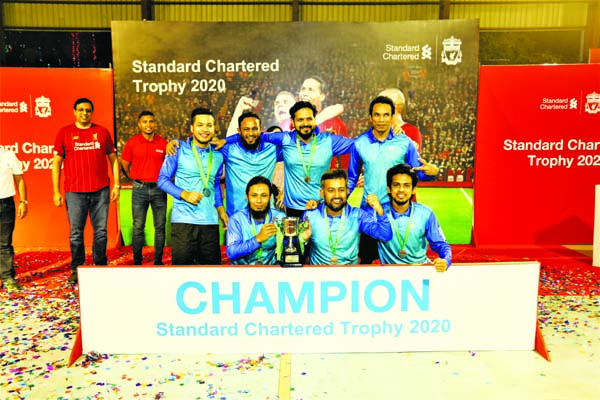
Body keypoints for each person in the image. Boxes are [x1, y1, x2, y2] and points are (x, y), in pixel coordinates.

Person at [347, 95, 439, 264]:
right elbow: (352, 179)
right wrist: (339, 203)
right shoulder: (360, 143)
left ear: (392, 117)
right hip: (370, 214)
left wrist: (433, 172)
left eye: (386, 115)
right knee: (366, 260)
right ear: (371, 117)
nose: (381, 119)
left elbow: (418, 173)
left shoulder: (405, 142)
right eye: (377, 115)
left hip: (397, 215)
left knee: (398, 263)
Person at [52, 98, 120, 284]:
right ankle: (77, 269)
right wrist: (56, 191)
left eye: (88, 110)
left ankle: (100, 267)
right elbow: (56, 163)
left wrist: (116, 185)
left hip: (101, 191)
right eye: (81, 110)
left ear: (92, 112)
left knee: (101, 232)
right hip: (74, 192)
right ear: (74, 111)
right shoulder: (65, 133)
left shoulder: (102, 132)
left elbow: (113, 159)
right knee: (76, 232)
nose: (84, 113)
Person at [258, 101, 354, 218]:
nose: (305, 123)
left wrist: (352, 182)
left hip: (321, 208)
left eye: (309, 119)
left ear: (315, 120)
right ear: (293, 122)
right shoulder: (285, 139)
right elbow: (254, 136)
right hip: (293, 211)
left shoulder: (328, 140)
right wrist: (229, 140)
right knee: (293, 236)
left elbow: (360, 145)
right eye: (300, 120)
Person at [158, 107, 227, 265]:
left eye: (209, 125)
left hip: (210, 222)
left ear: (214, 127)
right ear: (192, 128)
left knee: (212, 273)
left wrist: (221, 211)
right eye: (200, 125)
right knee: (182, 272)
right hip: (184, 222)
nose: (205, 129)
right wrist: (184, 194)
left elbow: (215, 184)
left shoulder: (217, 154)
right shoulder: (178, 149)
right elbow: (162, 180)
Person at [302, 169, 392, 265]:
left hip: (349, 276)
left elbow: (385, 235)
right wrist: (303, 239)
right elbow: (296, 249)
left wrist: (380, 211)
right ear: (322, 193)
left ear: (347, 191)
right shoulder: (310, 216)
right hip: (318, 276)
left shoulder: (358, 215)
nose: (337, 195)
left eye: (341, 190)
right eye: (331, 190)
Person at [378, 164, 451, 272]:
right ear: (389, 189)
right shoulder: (378, 213)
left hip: (420, 272)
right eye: (396, 185)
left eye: (406, 185)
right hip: (391, 275)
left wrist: (445, 260)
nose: (401, 190)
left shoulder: (426, 213)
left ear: (413, 190)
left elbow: (441, 244)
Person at [120, 111, 168, 265]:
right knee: (138, 226)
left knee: (159, 227)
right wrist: (135, 178)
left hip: (159, 189)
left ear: (155, 123)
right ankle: (137, 261)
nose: (148, 125)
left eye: (151, 121)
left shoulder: (163, 143)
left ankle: (158, 261)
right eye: (145, 122)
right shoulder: (132, 143)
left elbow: (170, 166)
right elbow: (125, 165)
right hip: (139, 188)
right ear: (139, 124)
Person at [226, 176, 286, 265]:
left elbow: (287, 246)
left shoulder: (279, 217)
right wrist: (257, 239)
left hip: (270, 272)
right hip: (242, 273)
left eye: (264, 196)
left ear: (270, 197)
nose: (259, 201)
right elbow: (231, 252)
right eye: (254, 196)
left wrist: (302, 239)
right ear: (247, 197)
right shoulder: (236, 219)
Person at [0, 150, 28, 291]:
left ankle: (7, 278)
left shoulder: (8, 155)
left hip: (5, 204)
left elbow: (19, 179)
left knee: (4, 243)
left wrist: (23, 201)